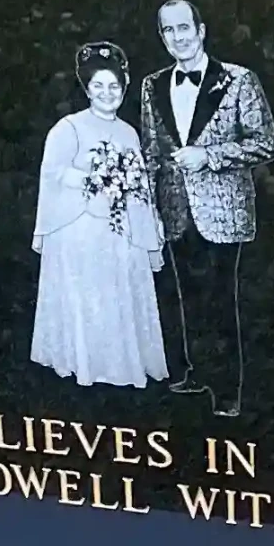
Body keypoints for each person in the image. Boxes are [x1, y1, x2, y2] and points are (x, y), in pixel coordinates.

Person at [139, 0, 274, 416]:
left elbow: (267, 143)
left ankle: (228, 392)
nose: (178, 37)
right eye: (169, 31)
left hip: (223, 213)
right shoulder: (152, 85)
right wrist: (148, 209)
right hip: (175, 210)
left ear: (201, 31)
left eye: (185, 28)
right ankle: (196, 372)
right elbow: (150, 151)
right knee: (187, 297)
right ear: (162, 37)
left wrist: (210, 156)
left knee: (221, 300)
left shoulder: (239, 81)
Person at [31, 42, 170, 389]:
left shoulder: (128, 132)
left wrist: (148, 223)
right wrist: (97, 179)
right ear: (87, 90)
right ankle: (85, 364)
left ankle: (121, 364)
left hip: (120, 231)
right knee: (90, 296)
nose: (107, 94)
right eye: (99, 87)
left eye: (114, 87)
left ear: (123, 89)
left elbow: (139, 184)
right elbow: (53, 173)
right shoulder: (69, 127)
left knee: (117, 294)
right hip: (81, 228)